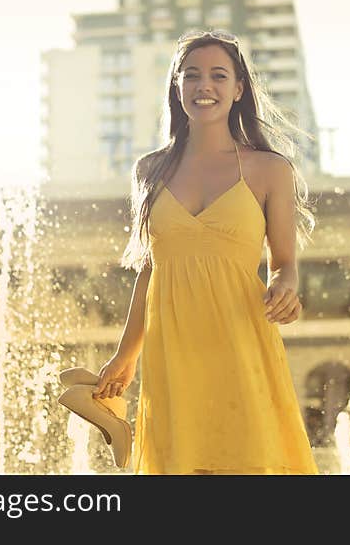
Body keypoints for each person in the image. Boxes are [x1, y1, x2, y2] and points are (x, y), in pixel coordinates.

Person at [91, 28, 319, 474]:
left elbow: (285, 264)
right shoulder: (150, 169)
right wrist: (125, 354)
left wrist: (284, 289)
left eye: (218, 75)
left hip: (240, 335)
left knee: (249, 461)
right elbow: (150, 270)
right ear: (177, 88)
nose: (204, 86)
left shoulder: (270, 169)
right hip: (172, 342)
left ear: (238, 90)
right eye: (191, 75)